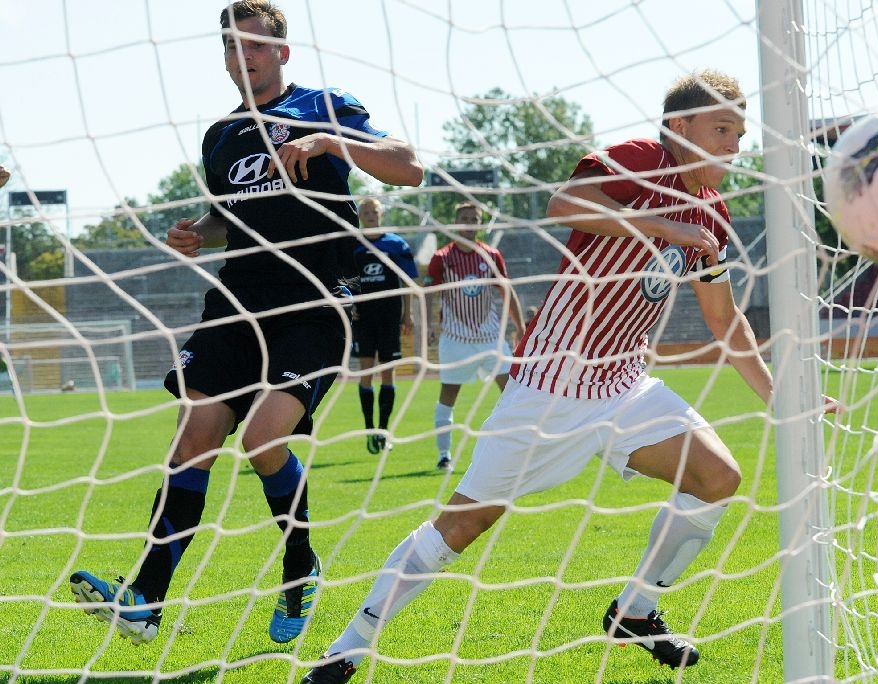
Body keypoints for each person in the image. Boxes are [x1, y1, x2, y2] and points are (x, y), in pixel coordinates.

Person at [300, 70, 839, 683]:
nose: (732, 145)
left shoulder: (713, 217)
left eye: (740, 135)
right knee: (462, 525)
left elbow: (724, 318)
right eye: (721, 129)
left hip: (625, 385)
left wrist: (779, 399)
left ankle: (635, 612)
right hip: (548, 387)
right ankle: (349, 646)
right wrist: (667, 227)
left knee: (717, 477)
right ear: (679, 128)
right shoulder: (642, 159)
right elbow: (565, 205)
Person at [68, 0, 422, 646]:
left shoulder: (325, 103)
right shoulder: (221, 136)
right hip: (236, 303)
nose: (243, 58)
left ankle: (299, 566)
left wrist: (328, 141)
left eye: (254, 46)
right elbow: (224, 216)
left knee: (263, 441)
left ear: (281, 52)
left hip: (312, 303)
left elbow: (408, 165)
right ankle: (146, 598)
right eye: (232, 48)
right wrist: (194, 234)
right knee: (195, 436)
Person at [425, 202, 525, 471]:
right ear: (456, 223)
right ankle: (444, 454)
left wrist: (519, 326)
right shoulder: (442, 258)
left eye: (475, 219)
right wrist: (429, 326)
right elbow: (429, 293)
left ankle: (513, 449)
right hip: (456, 340)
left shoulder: (491, 254)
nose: (469, 223)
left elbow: (506, 291)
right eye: (465, 218)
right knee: (448, 394)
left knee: (513, 392)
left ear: (480, 224)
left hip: (491, 338)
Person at [351, 197, 418, 454]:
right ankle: (370, 430)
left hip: (390, 317)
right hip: (364, 319)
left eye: (374, 211)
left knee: (388, 373)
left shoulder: (395, 244)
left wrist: (408, 314)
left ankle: (384, 431)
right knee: (366, 372)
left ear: (381, 214)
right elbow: (345, 281)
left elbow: (408, 281)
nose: (370, 215)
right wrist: (350, 306)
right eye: (365, 211)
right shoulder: (353, 244)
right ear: (359, 216)